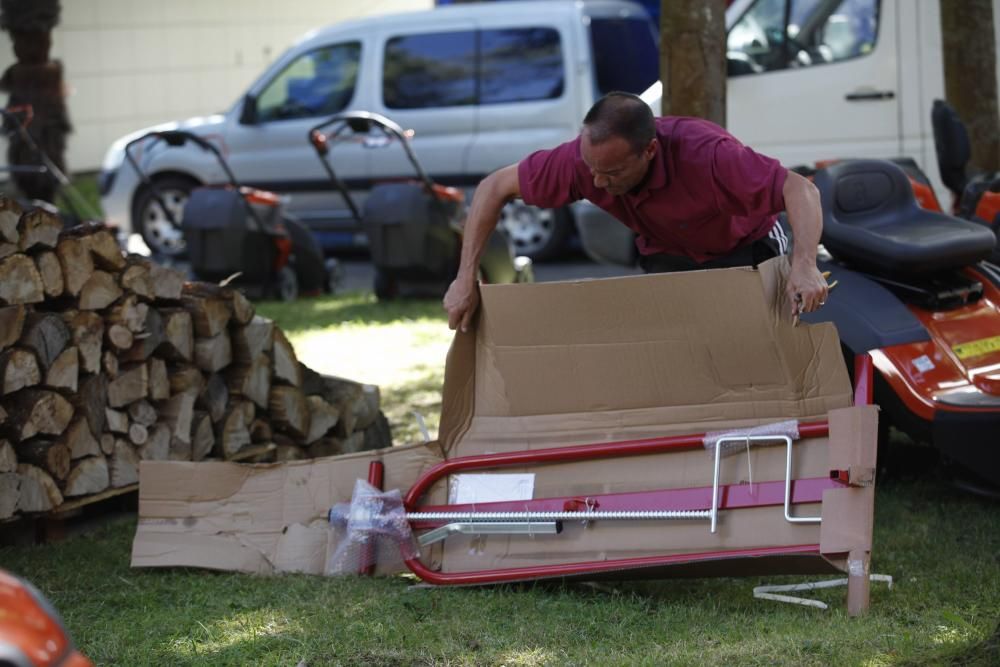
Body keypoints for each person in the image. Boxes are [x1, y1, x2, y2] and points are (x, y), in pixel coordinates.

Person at [444, 91, 829, 332]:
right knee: (675, 352)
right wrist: (465, 279)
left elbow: (800, 189)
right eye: (590, 168)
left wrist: (805, 263)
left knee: (759, 346)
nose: (596, 182)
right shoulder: (583, 163)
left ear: (649, 151)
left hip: (745, 247)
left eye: (611, 173)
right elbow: (491, 188)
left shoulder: (708, 155)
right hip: (667, 251)